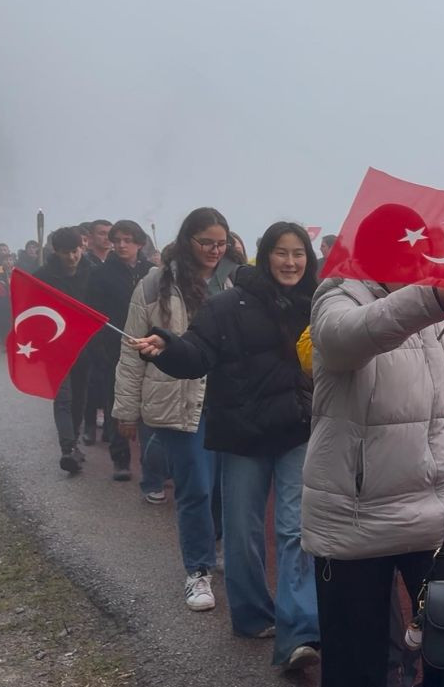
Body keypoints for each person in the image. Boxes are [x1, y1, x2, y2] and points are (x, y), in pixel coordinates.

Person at [304, 216, 444, 687]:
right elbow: (345, 339)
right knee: (357, 666)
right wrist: (431, 300)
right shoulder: (337, 297)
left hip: (437, 515)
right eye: (403, 250)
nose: (416, 261)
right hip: (353, 520)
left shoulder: (438, 315)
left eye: (420, 251)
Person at [133, 222, 321, 673]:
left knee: (296, 531)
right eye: (281, 252)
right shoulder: (225, 305)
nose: (290, 262)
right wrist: (167, 347)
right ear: (263, 254)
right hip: (242, 434)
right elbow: (197, 354)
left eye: (299, 253)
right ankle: (253, 616)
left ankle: (298, 633)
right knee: (242, 530)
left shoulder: (320, 303)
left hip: (298, 430)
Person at [114, 208, 241, 610]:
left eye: (220, 243)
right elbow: (133, 350)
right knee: (195, 489)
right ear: (188, 240)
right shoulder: (155, 284)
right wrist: (126, 409)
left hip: (228, 399)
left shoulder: (236, 280)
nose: (214, 251)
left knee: (223, 488)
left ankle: (215, 545)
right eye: (206, 242)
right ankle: (198, 571)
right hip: (176, 398)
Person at [88, 220, 155, 482]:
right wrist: (101, 349)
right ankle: (120, 459)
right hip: (114, 348)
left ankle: (153, 464)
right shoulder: (101, 275)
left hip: (149, 346)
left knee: (149, 407)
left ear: (139, 242)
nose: (121, 245)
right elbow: (94, 315)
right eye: (117, 240)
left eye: (127, 240)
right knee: (116, 403)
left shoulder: (153, 272)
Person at [35, 227, 95, 474]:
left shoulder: (92, 273)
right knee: (63, 397)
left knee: (80, 396)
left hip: (85, 345)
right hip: (55, 346)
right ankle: (67, 448)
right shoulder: (41, 277)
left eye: (75, 251)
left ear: (82, 247)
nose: (71, 257)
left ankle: (76, 438)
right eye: (65, 252)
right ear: (55, 251)